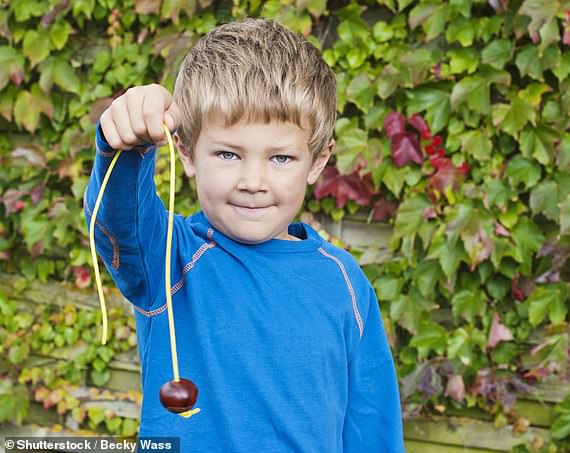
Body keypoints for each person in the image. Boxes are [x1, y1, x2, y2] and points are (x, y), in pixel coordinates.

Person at [84, 17, 404, 452]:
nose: (253, 180)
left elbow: (373, 426)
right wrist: (126, 142)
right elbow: (116, 221)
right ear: (186, 151)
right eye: (228, 153)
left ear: (317, 160)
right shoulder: (168, 257)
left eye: (281, 158)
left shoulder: (345, 282)